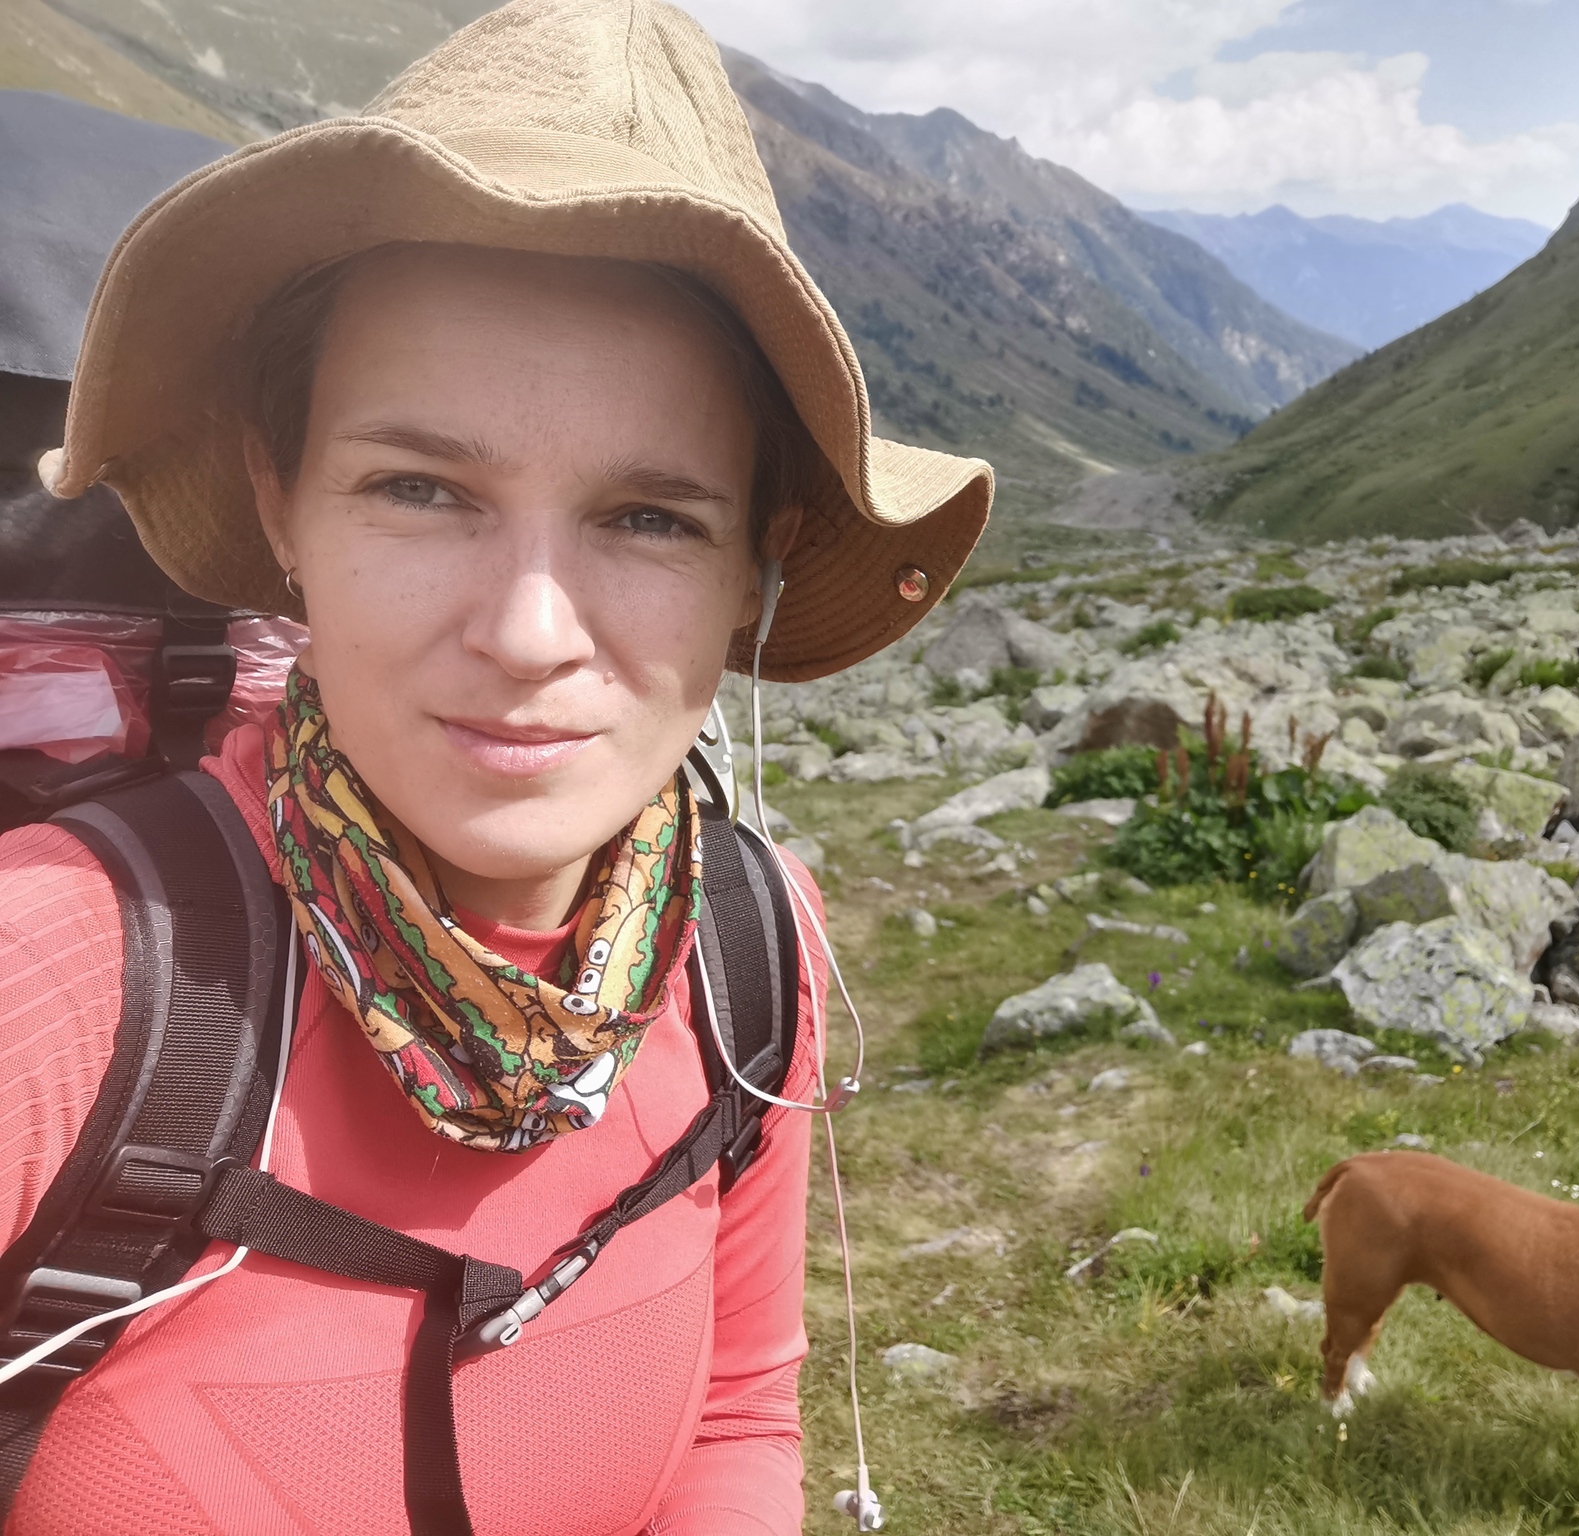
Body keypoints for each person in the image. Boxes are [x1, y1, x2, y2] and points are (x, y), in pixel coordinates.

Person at [0, 1, 991, 1531]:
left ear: (757, 568)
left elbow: (737, 1416)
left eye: (649, 517)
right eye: (420, 488)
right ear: (283, 507)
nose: (531, 633)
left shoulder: (746, 946)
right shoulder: (53, 985)